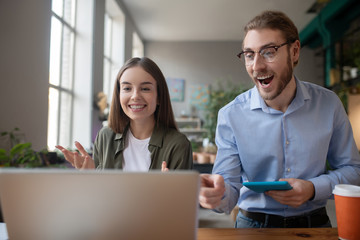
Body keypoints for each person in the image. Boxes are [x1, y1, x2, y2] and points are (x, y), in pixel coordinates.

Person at [199, 10, 360, 228]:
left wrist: (313, 188)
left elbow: (353, 170)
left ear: (294, 52)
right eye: (249, 54)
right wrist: (215, 195)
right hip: (252, 226)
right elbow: (228, 192)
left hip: (316, 225)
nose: (256, 66)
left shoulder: (329, 104)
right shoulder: (230, 115)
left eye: (269, 52)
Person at [56, 57, 192, 171]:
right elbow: (98, 198)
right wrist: (92, 176)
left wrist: (168, 191)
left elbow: (183, 201)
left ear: (159, 97)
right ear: (119, 95)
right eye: (127, 88)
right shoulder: (105, 136)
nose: (135, 96)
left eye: (145, 88)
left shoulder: (178, 145)